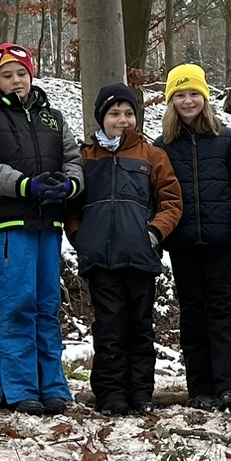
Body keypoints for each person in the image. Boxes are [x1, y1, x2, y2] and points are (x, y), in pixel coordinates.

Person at [0, 43, 81, 415]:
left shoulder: (54, 118)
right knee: (16, 305)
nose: (16, 81)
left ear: (32, 75)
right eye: (7, 75)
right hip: (10, 222)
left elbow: (74, 160)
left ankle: (53, 386)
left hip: (49, 225)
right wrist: (24, 185)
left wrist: (69, 185)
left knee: (47, 306)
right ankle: (16, 388)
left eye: (22, 73)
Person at [70, 84, 181, 415]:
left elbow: (172, 202)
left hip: (140, 257)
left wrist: (153, 232)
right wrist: (80, 236)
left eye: (129, 113)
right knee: (109, 327)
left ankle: (141, 393)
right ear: (101, 118)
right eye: (114, 113)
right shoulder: (85, 156)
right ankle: (110, 393)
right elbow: (72, 206)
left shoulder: (152, 155)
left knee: (139, 327)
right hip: (100, 260)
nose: (122, 120)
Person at [157, 63, 231, 412]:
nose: (188, 101)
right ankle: (199, 386)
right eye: (180, 95)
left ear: (205, 97)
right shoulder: (163, 146)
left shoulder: (227, 140)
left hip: (219, 240)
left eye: (194, 94)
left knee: (222, 310)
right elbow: (157, 196)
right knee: (192, 313)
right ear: (172, 101)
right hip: (182, 242)